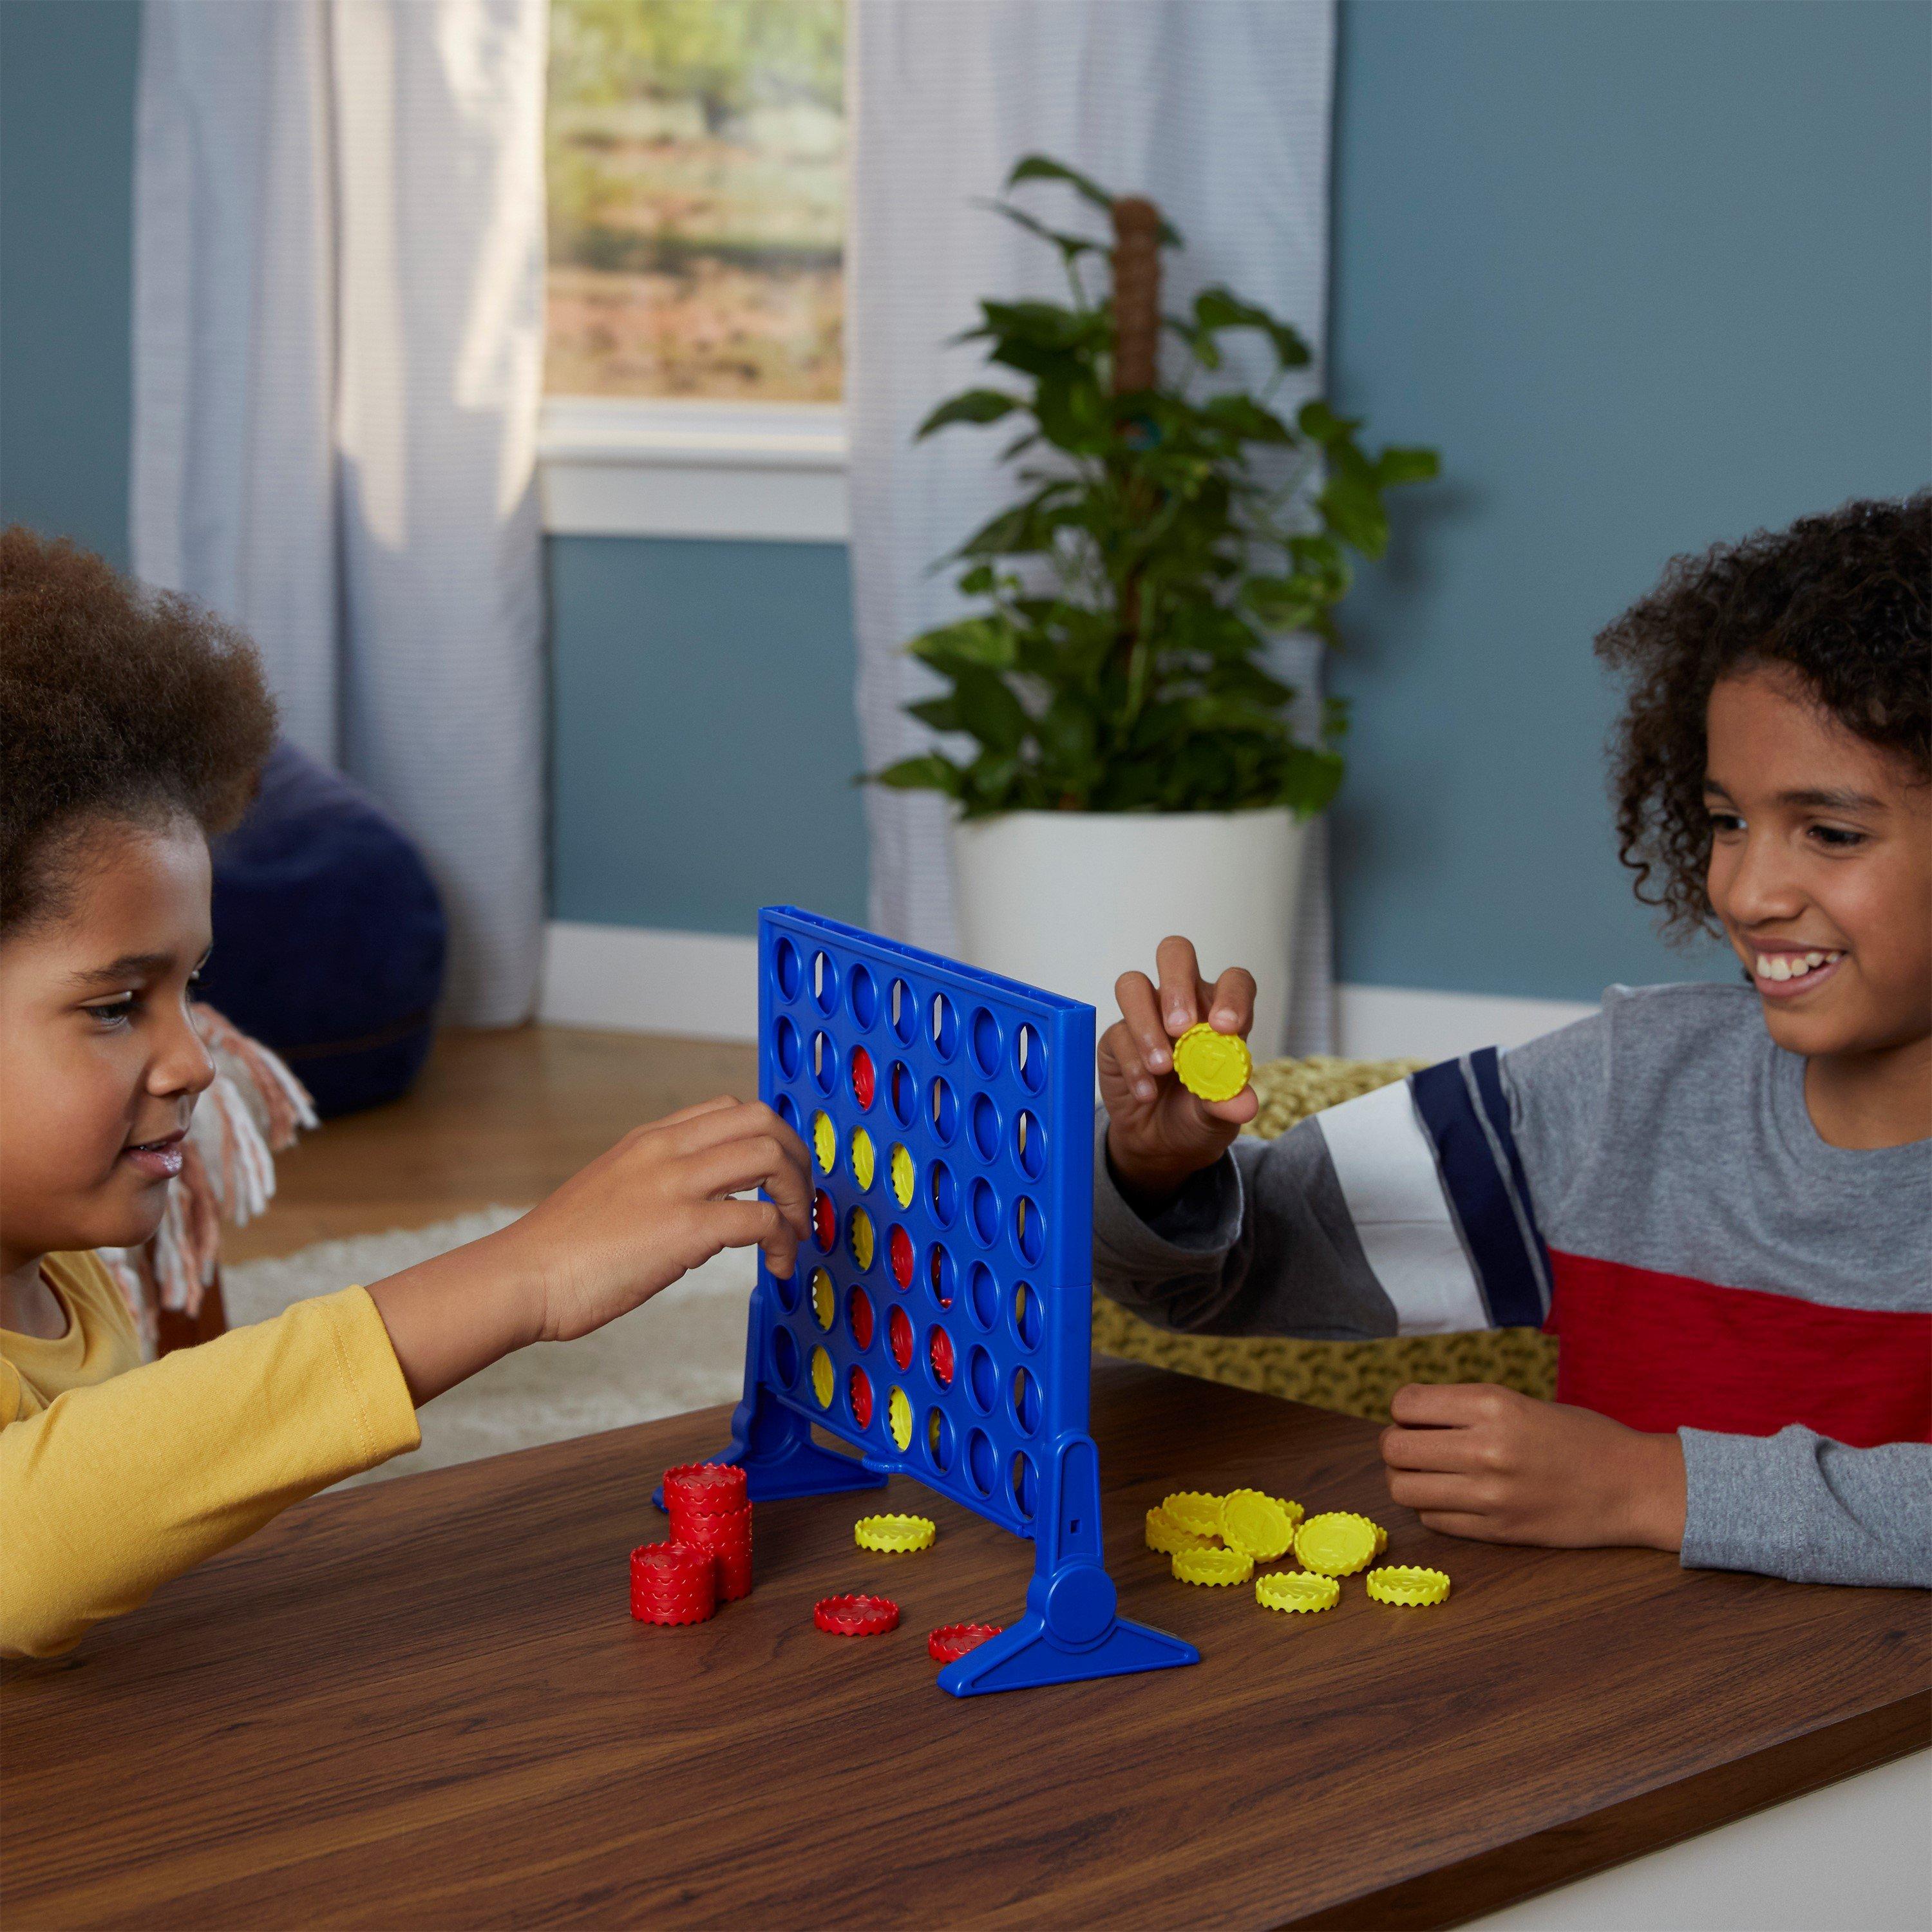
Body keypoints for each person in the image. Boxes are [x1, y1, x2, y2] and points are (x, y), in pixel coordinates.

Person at [0, 529, 811, 1656]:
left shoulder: (56, 1268)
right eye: (112, 1006)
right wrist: (519, 1274)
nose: (193, 1059)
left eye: (188, 991)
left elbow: (132, 1471)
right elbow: (21, 1546)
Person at [1094, 495, 1930, 1588]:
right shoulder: (1623, 1094)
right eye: (1728, 820)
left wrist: (1649, 1486)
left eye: (1830, 833)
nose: (1750, 887)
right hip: (1616, 1729)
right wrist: (1162, 1172)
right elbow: (1229, 1279)